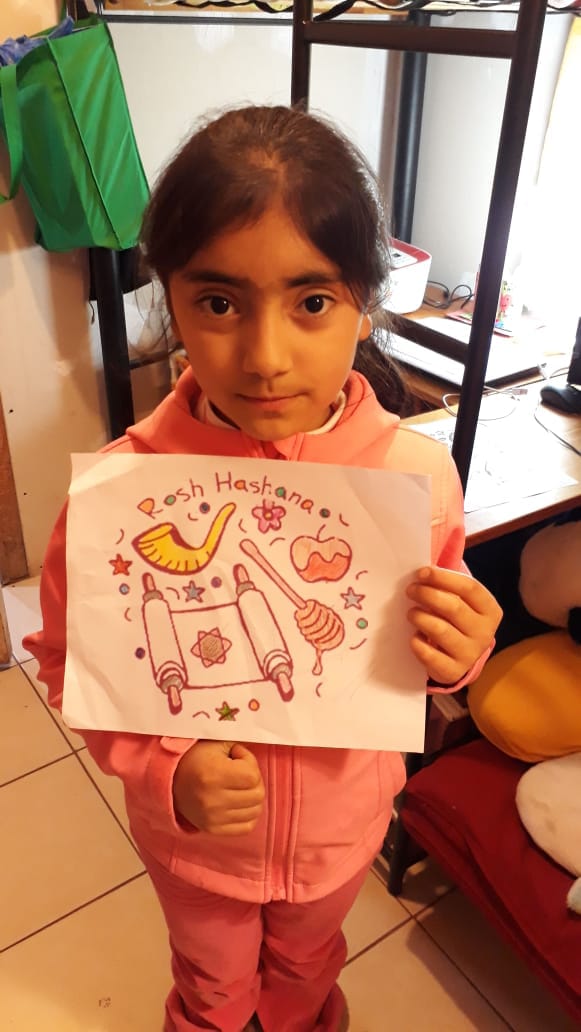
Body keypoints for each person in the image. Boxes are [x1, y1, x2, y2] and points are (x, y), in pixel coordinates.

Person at [25, 105, 502, 1032]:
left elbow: (429, 647)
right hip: (196, 847)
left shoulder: (415, 478)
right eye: (218, 303)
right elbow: (64, 658)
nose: (266, 357)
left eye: (311, 302)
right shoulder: (122, 493)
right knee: (211, 990)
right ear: (171, 298)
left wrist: (461, 653)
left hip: (339, 837)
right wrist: (164, 771)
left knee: (306, 971)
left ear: (363, 301)